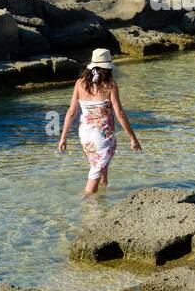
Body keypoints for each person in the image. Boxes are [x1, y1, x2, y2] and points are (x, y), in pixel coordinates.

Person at [58, 49, 141, 194]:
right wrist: (133, 138)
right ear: (107, 68)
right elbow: (120, 114)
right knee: (96, 170)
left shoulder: (79, 83)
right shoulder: (110, 85)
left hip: (85, 135)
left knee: (101, 167)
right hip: (102, 136)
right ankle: (89, 204)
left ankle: (103, 200)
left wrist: (63, 137)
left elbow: (71, 112)